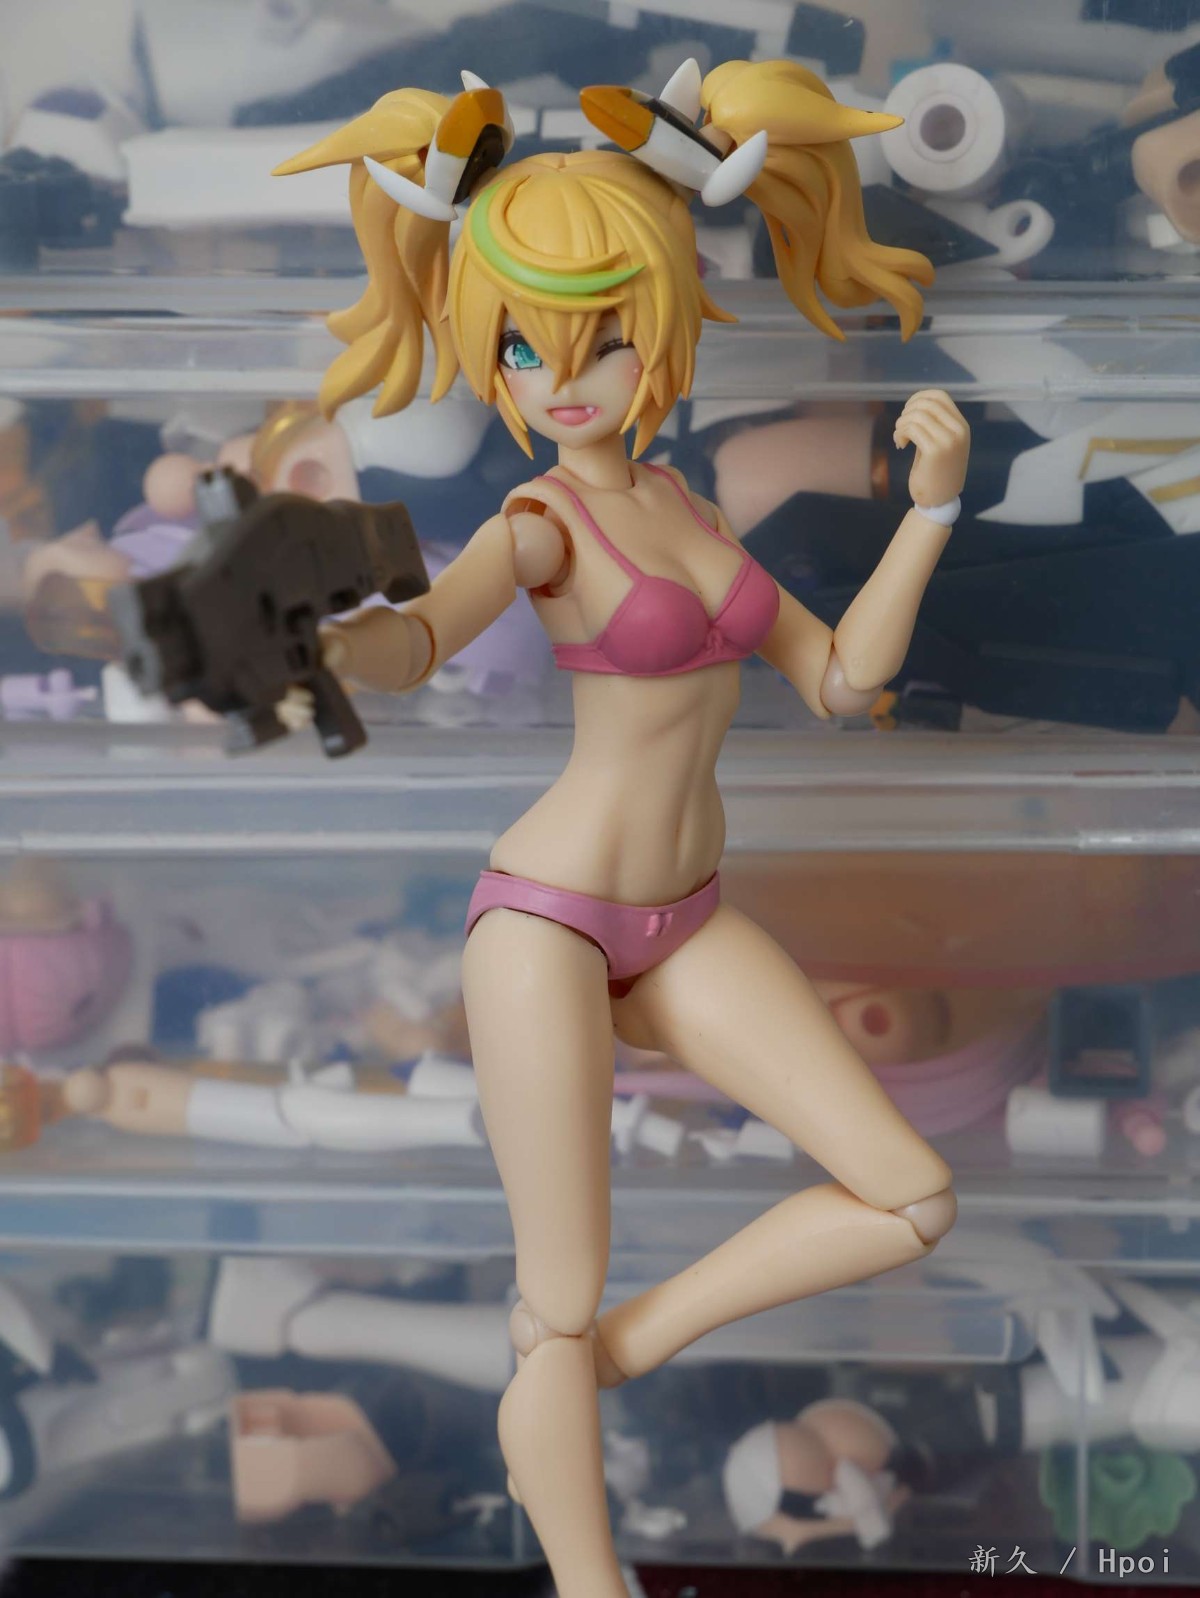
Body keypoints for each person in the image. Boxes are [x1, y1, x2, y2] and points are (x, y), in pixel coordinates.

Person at [277, 59, 969, 1598]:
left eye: (601, 335)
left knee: (911, 1195)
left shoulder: (691, 506)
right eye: (525, 345)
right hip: (549, 919)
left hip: (690, 916)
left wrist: (929, 510)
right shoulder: (541, 522)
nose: (563, 374)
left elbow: (843, 682)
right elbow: (427, 634)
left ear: (659, 326)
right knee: (558, 1287)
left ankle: (621, 1351)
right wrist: (338, 639)